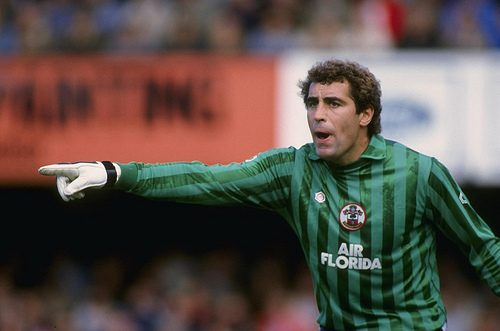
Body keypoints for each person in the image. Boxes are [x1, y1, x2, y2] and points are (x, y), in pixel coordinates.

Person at [39, 59, 500, 331]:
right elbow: (205, 180)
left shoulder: (419, 173)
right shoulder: (292, 169)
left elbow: (485, 250)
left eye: (333, 104)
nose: (318, 115)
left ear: (366, 115)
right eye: (312, 103)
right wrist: (117, 172)